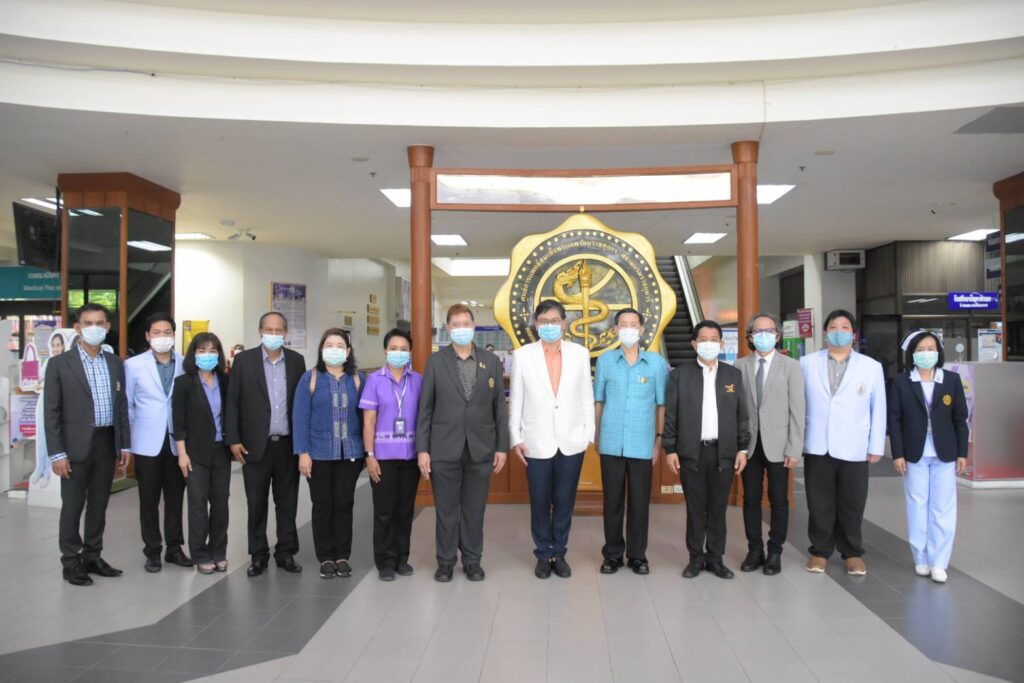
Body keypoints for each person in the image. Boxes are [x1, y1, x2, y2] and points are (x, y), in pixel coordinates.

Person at [416, 303, 508, 582]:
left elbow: (499, 408)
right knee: (446, 510)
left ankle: (472, 560)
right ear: (448, 329)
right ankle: (445, 562)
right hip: (444, 447)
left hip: (481, 448)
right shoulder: (436, 362)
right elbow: (425, 408)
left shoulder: (490, 361)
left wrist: (501, 447)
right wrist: (423, 449)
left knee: (474, 510)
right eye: (456, 325)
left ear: (474, 326)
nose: (461, 329)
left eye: (466, 324)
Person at [43, 304, 131, 586]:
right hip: (74, 446)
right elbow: (51, 412)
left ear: (107, 327)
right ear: (78, 328)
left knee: (99, 504)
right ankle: (71, 562)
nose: (95, 328)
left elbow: (122, 407)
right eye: (88, 323)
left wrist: (124, 445)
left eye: (100, 323)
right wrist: (57, 453)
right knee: (72, 506)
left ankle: (93, 556)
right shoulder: (59, 364)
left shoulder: (115, 363)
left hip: (106, 441)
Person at [509, 300, 595, 579]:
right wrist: (516, 437)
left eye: (555, 321)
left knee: (564, 501)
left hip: (572, 440)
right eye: (544, 321)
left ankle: (560, 552)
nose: (549, 326)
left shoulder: (580, 353)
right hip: (535, 440)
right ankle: (543, 554)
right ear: (536, 324)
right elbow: (517, 399)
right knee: (539, 501)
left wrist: (588, 434)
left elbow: (586, 396)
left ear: (564, 323)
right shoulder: (523, 355)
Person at [801, 309, 886, 576]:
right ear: (825, 332)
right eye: (834, 327)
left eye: (845, 327)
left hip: (854, 445)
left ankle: (852, 552)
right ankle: (820, 551)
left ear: (853, 333)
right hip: (817, 444)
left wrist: (876, 446)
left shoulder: (871, 367)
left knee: (852, 501)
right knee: (819, 501)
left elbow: (879, 408)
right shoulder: (806, 363)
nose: (839, 331)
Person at [664, 319, 750, 580]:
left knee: (718, 508)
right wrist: (670, 448)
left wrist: (742, 449)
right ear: (694, 344)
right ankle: (695, 558)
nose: (709, 344)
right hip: (691, 452)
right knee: (695, 508)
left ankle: (715, 558)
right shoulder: (680, 375)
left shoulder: (732, 375)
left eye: (714, 340)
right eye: (703, 340)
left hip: (724, 452)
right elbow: (671, 415)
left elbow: (742, 415)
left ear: (721, 344)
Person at [225, 312, 307, 577]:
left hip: (287, 445)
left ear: (285, 333)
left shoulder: (296, 361)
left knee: (287, 503)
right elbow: (232, 402)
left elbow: (301, 405)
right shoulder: (244, 361)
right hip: (254, 447)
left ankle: (286, 552)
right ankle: (258, 555)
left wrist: (303, 444)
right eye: (269, 330)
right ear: (260, 331)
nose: (273, 334)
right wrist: (233, 439)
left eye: (278, 330)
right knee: (256, 504)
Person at [888, 331, 968, 583]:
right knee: (917, 505)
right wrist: (898, 454)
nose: (926, 353)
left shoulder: (951, 380)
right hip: (914, 453)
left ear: (939, 351)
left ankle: (939, 561)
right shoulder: (902, 382)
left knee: (943, 508)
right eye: (920, 349)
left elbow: (960, 419)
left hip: (945, 452)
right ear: (912, 353)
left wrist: (962, 452)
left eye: (931, 348)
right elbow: (894, 420)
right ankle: (921, 557)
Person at [593, 307, 667, 575]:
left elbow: (661, 405)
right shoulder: (605, 361)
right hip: (611, 442)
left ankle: (637, 555)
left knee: (639, 503)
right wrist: (597, 435)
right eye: (623, 324)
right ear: (615, 330)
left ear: (642, 329)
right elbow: (599, 401)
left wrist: (659, 441)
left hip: (642, 444)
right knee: (612, 501)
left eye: (633, 324)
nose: (628, 329)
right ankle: (612, 554)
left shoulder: (656, 363)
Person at [734, 312, 805, 576]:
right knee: (750, 499)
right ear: (750, 336)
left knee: (779, 500)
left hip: (780, 445)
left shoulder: (791, 366)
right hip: (749, 446)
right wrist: (738, 446)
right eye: (758, 331)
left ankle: (775, 551)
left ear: (777, 336)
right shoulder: (739, 366)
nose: (764, 335)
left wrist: (795, 448)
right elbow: (736, 409)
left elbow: (798, 410)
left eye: (769, 331)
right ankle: (755, 550)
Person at [293, 328, 366, 580]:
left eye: (339, 346)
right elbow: (300, 417)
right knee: (322, 505)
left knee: (344, 504)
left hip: (350, 454)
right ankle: (325, 557)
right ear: (321, 349)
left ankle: (342, 556)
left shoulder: (357, 379)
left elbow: (365, 418)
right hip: (318, 454)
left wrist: (367, 451)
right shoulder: (310, 378)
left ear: (348, 351)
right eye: (329, 345)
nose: (334, 350)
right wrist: (302, 452)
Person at [125, 312, 190, 573]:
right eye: (157, 333)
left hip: (178, 443)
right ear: (147, 336)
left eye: (167, 332)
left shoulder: (185, 363)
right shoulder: (133, 365)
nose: (162, 337)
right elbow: (128, 405)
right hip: (146, 442)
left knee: (176, 498)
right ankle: (152, 550)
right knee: (148, 499)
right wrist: (127, 443)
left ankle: (174, 548)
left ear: (174, 335)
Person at [360, 328, 422, 581]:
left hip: (410, 457)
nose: (398, 353)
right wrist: (369, 455)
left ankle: (401, 558)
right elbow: (368, 422)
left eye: (403, 349)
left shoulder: (418, 380)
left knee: (405, 511)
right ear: (385, 351)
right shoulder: (374, 380)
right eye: (394, 348)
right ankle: (384, 561)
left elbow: (424, 418)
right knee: (384, 511)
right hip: (382, 458)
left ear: (410, 352)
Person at [173, 332, 232, 574]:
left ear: (219, 354)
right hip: (194, 453)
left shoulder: (225, 381)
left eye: (212, 350)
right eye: (201, 350)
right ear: (193, 354)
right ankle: (199, 553)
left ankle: (219, 551)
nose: (207, 355)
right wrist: (182, 453)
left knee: (220, 504)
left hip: (221, 451)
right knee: (197, 504)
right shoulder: (184, 383)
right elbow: (178, 422)